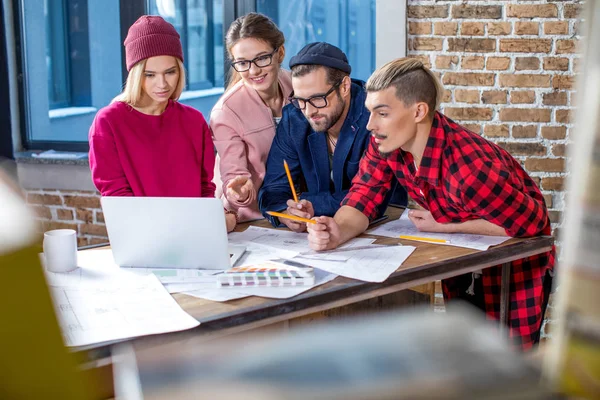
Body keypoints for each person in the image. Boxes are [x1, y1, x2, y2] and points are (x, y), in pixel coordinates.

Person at [306, 58, 555, 350]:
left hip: (517, 271)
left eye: (382, 113)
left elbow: (534, 225)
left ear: (419, 111)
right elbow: (365, 192)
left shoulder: (469, 170)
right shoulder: (385, 144)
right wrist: (337, 230)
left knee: (509, 369)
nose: (370, 125)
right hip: (466, 257)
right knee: (464, 360)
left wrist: (444, 225)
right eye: (370, 112)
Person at [89, 15, 237, 232]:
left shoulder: (193, 121)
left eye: (170, 72)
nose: (162, 84)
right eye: (150, 74)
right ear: (136, 74)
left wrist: (217, 222)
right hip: (143, 238)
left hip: (196, 236)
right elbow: (116, 198)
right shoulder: (108, 123)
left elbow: (205, 189)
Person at [258, 42, 406, 232]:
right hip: (315, 235)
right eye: (301, 100)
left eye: (318, 98)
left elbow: (373, 195)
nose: (309, 111)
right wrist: (287, 212)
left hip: (384, 229)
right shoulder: (294, 118)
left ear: (344, 86)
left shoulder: (375, 116)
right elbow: (273, 190)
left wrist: (311, 204)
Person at [210, 13, 292, 222]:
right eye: (243, 63)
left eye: (262, 58)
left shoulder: (296, 85)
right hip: (250, 218)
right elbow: (232, 174)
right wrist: (240, 191)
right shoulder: (226, 112)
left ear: (280, 52)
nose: (253, 70)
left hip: (294, 210)